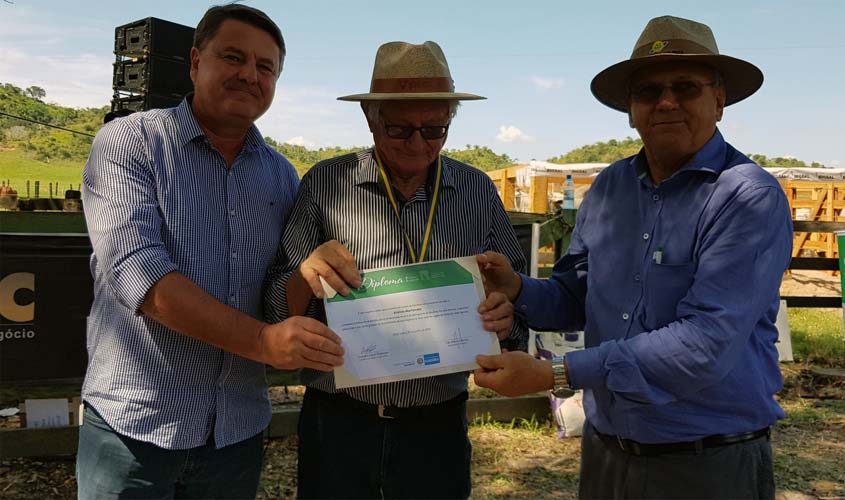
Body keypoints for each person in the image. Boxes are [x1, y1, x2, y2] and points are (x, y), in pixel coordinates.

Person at [473, 15, 792, 500]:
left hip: (707, 463)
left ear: (719, 100)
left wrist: (557, 373)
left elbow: (704, 343)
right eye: (647, 92)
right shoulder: (609, 187)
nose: (665, 102)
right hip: (608, 453)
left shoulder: (747, 197)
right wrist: (515, 288)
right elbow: (574, 295)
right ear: (630, 110)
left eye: (685, 87)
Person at [77, 5, 344, 499]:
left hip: (236, 433)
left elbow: (280, 286)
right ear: (196, 63)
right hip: (134, 428)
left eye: (266, 67)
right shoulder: (130, 143)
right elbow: (138, 273)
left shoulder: (282, 176)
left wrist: (309, 278)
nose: (249, 74)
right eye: (234, 57)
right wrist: (265, 342)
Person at [264, 41, 526, 499]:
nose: (419, 144)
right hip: (339, 420)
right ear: (370, 120)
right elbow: (274, 304)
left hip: (438, 423)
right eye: (401, 129)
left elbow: (515, 302)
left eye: (435, 130)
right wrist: (305, 276)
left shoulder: (477, 190)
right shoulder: (325, 184)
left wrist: (506, 313)